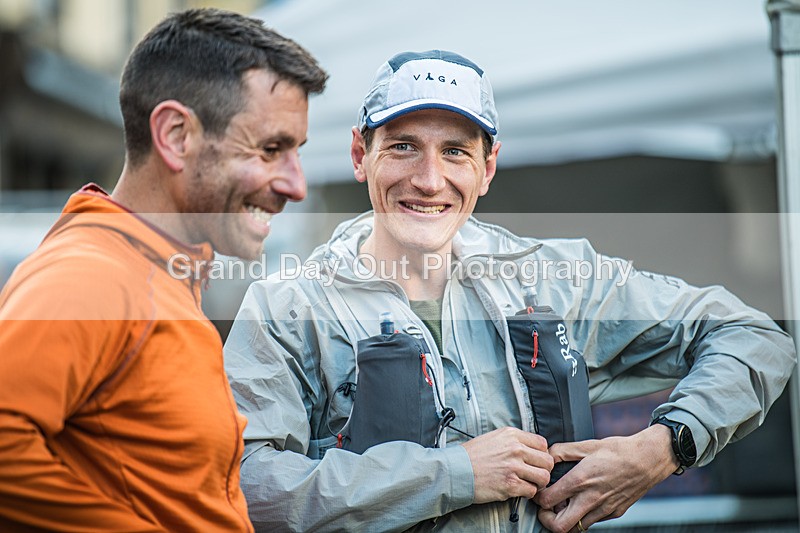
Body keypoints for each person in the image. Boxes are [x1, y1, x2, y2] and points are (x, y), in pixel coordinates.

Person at [224, 50, 795, 532]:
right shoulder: (289, 306)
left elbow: (755, 336)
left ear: (488, 167)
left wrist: (660, 450)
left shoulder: (554, 279)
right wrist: (454, 473)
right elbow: (247, 486)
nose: (428, 179)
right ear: (359, 155)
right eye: (402, 146)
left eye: (455, 151)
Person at [0, 8, 326, 532]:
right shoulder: (92, 273)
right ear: (176, 135)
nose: (296, 184)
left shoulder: (162, 274)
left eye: (295, 153)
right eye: (270, 150)